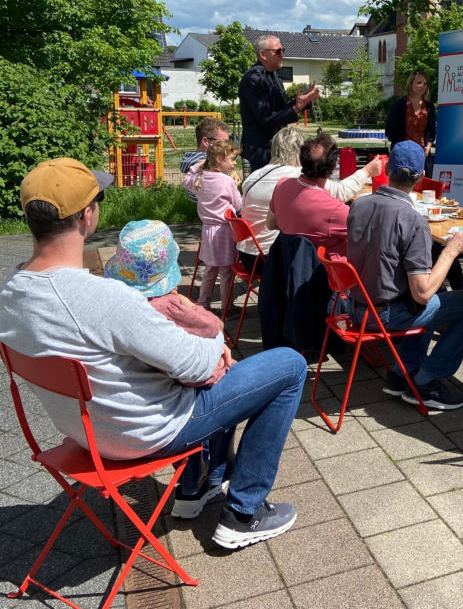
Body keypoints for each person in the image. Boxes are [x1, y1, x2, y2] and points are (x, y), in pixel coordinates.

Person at [0, 158, 306, 548]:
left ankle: (194, 489)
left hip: (85, 434)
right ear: (88, 216)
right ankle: (244, 512)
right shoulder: (105, 299)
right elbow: (195, 366)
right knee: (289, 366)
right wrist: (218, 341)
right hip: (146, 433)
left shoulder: (12, 292)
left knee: (213, 374)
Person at [104, 219, 233, 518]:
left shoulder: (125, 301)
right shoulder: (168, 305)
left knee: (190, 441)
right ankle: (218, 472)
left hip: (152, 388)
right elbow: (214, 326)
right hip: (188, 382)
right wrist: (188, 304)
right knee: (229, 393)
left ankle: (189, 485)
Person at [346, 140, 463, 411]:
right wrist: (451, 250)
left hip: (354, 307)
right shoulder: (412, 220)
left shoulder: (359, 205)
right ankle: (426, 379)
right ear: (421, 178)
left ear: (387, 171)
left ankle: (402, 373)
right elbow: (423, 292)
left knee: (431, 302)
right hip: (383, 315)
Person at [239, 126, 383, 271]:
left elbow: (271, 223)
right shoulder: (295, 179)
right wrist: (367, 171)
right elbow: (343, 193)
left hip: (249, 254)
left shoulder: (256, 177)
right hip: (282, 261)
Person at [239, 35, 320, 171]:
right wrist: (296, 108)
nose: (282, 55)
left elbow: (281, 109)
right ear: (262, 55)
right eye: (277, 51)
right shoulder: (252, 79)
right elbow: (266, 119)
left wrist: (305, 100)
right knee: (266, 191)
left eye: (283, 50)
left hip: (278, 148)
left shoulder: (274, 75)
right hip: (262, 151)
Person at [267, 132, 350, 259]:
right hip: (326, 273)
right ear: (333, 167)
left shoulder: (281, 185)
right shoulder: (335, 210)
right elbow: (369, 233)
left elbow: (271, 224)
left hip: (288, 264)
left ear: (302, 160)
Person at [182, 140, 242, 310]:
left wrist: (198, 165)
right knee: (226, 272)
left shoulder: (200, 178)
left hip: (207, 230)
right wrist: (236, 188)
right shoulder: (227, 181)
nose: (234, 163)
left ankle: (203, 303)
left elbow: (185, 181)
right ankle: (226, 306)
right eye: (231, 159)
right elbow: (238, 205)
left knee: (210, 270)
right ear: (219, 159)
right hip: (224, 231)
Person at [385, 69, 436, 176]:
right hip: (402, 155)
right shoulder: (399, 105)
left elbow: (431, 131)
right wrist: (403, 148)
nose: (422, 86)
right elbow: (390, 131)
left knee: (421, 190)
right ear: (411, 83)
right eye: (419, 83)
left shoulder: (429, 107)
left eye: (425, 83)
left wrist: (428, 146)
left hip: (422, 155)